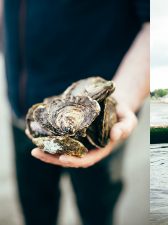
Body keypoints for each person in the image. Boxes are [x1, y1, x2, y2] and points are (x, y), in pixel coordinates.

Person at [1, 0, 149, 225]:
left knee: (97, 214)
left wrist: (122, 100)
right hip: (23, 116)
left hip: (94, 129)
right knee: (35, 211)